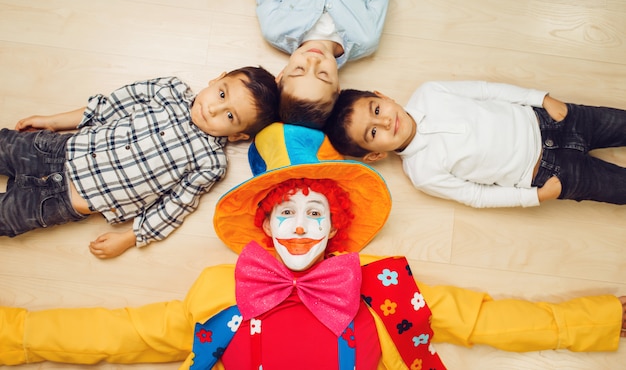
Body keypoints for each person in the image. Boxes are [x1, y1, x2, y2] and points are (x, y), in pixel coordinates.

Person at [1, 123, 624, 369]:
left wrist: (601, 319)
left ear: (335, 226)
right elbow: (122, 334)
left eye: (315, 212)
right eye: (288, 213)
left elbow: (486, 318)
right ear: (266, 228)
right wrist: (15, 334)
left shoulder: (385, 289)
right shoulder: (220, 293)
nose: (300, 225)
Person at [0, 67, 279, 258]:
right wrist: (51, 121)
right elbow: (106, 108)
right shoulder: (167, 90)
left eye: (230, 117)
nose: (213, 109)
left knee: (5, 217)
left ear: (238, 136)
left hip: (60, 202)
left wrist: (131, 238)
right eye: (221, 94)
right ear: (217, 79)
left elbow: (175, 207)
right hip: (53, 150)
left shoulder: (210, 163)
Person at [324, 81, 626, 208]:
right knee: (618, 187)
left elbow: (486, 90)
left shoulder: (429, 92)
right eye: (373, 133)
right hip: (551, 174)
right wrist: (535, 198)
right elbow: (476, 196)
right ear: (376, 154)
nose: (386, 122)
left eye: (377, 110)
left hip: (551, 119)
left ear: (383, 96)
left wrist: (540, 98)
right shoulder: (423, 173)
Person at [255, 0, 393, 128]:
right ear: (337, 87)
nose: (313, 61)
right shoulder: (365, 37)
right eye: (322, 74)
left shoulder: (275, 28)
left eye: (299, 69)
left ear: (281, 75)